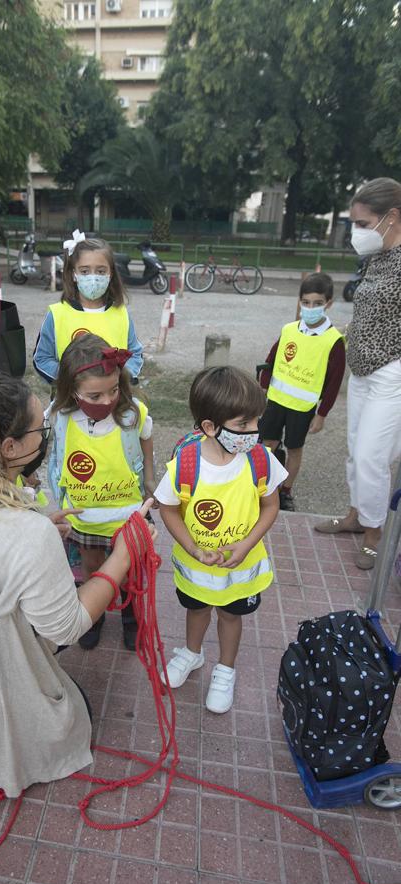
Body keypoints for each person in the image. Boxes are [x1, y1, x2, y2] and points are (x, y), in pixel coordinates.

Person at [0, 364, 155, 809]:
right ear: (10, 447)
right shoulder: (26, 532)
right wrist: (122, 557)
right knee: (75, 713)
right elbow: (66, 627)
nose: (46, 437)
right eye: (40, 430)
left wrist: (38, 523)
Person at [155, 366, 286, 713]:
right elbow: (168, 508)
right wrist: (192, 547)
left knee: (230, 615)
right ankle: (192, 653)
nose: (254, 431)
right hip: (197, 567)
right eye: (243, 425)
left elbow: (271, 505)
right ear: (210, 427)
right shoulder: (185, 463)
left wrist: (246, 545)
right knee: (197, 608)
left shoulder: (261, 460)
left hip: (240, 568)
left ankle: (225, 669)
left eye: (256, 421)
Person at [47, 333, 154, 650]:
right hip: (85, 517)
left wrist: (150, 477)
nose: (107, 401)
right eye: (94, 396)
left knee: (130, 571)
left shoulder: (133, 413)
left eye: (114, 390)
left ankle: (132, 619)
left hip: (127, 516)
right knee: (92, 567)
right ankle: (93, 617)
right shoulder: (59, 417)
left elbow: (146, 438)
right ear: (71, 389)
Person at [315, 178, 401, 569]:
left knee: (371, 456)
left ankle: (374, 533)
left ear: (391, 217)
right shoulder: (378, 257)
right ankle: (356, 515)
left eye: (363, 223)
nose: (357, 232)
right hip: (362, 368)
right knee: (355, 449)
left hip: (391, 370)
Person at [258, 272, 345, 511]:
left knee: (294, 449)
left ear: (328, 304)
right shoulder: (289, 330)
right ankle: (262, 488)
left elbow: (334, 382)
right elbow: (271, 359)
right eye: (306, 302)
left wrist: (322, 414)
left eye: (317, 303)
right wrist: (263, 387)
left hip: (302, 408)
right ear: (299, 301)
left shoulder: (334, 341)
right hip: (276, 401)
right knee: (267, 444)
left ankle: (285, 492)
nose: (311, 308)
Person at [33, 231, 143, 385]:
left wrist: (123, 377)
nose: (93, 278)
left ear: (111, 274)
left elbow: (135, 354)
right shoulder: (57, 315)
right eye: (85, 271)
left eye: (101, 271)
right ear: (73, 274)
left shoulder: (121, 314)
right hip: (70, 397)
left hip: (114, 396)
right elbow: (42, 359)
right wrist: (71, 378)